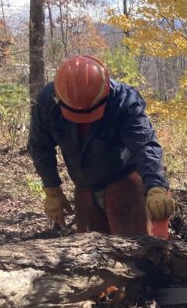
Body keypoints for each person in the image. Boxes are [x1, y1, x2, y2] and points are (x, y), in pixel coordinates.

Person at [28, 55, 175, 238]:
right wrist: (52, 189)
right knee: (90, 253)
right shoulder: (46, 102)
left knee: (138, 253)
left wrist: (155, 185)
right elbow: (40, 146)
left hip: (125, 182)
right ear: (59, 97)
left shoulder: (125, 101)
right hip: (84, 186)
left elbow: (144, 145)